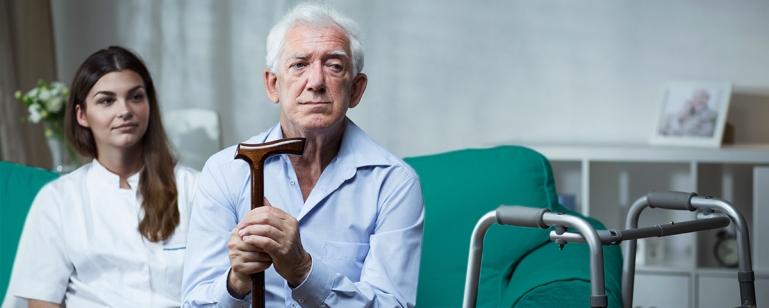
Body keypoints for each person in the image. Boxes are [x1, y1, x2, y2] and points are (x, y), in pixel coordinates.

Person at [182, 2, 424, 307]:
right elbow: (194, 303)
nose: (316, 82)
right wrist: (237, 281)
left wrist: (303, 269)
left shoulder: (394, 183)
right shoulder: (224, 172)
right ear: (273, 85)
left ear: (356, 90)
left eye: (334, 65)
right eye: (299, 65)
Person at [4, 46, 199, 307]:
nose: (125, 110)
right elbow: (42, 300)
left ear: (149, 105)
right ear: (81, 115)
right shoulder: (59, 199)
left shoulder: (194, 187)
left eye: (136, 97)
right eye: (107, 100)